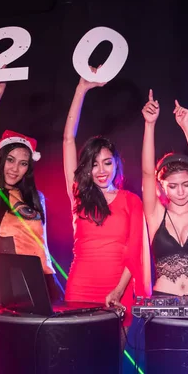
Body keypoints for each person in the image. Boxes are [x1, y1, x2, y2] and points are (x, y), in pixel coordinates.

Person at [62, 70, 147, 332]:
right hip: (80, 288)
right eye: (94, 163)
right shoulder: (78, 195)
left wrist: (118, 291)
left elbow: (135, 254)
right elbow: (67, 140)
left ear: (116, 164)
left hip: (118, 289)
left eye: (107, 162)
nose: (101, 169)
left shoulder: (131, 201)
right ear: (86, 168)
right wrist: (81, 89)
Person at [0, 56, 63, 304]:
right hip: (9, 286)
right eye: (10, 160)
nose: (15, 168)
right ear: (0, 159)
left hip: (47, 283)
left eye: (23, 163)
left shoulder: (37, 198)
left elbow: (42, 248)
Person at [141, 90, 188, 296]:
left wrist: (187, 127)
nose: (181, 192)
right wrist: (149, 124)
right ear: (161, 186)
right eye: (172, 186)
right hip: (163, 304)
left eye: (187, 184)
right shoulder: (156, 214)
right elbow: (148, 173)